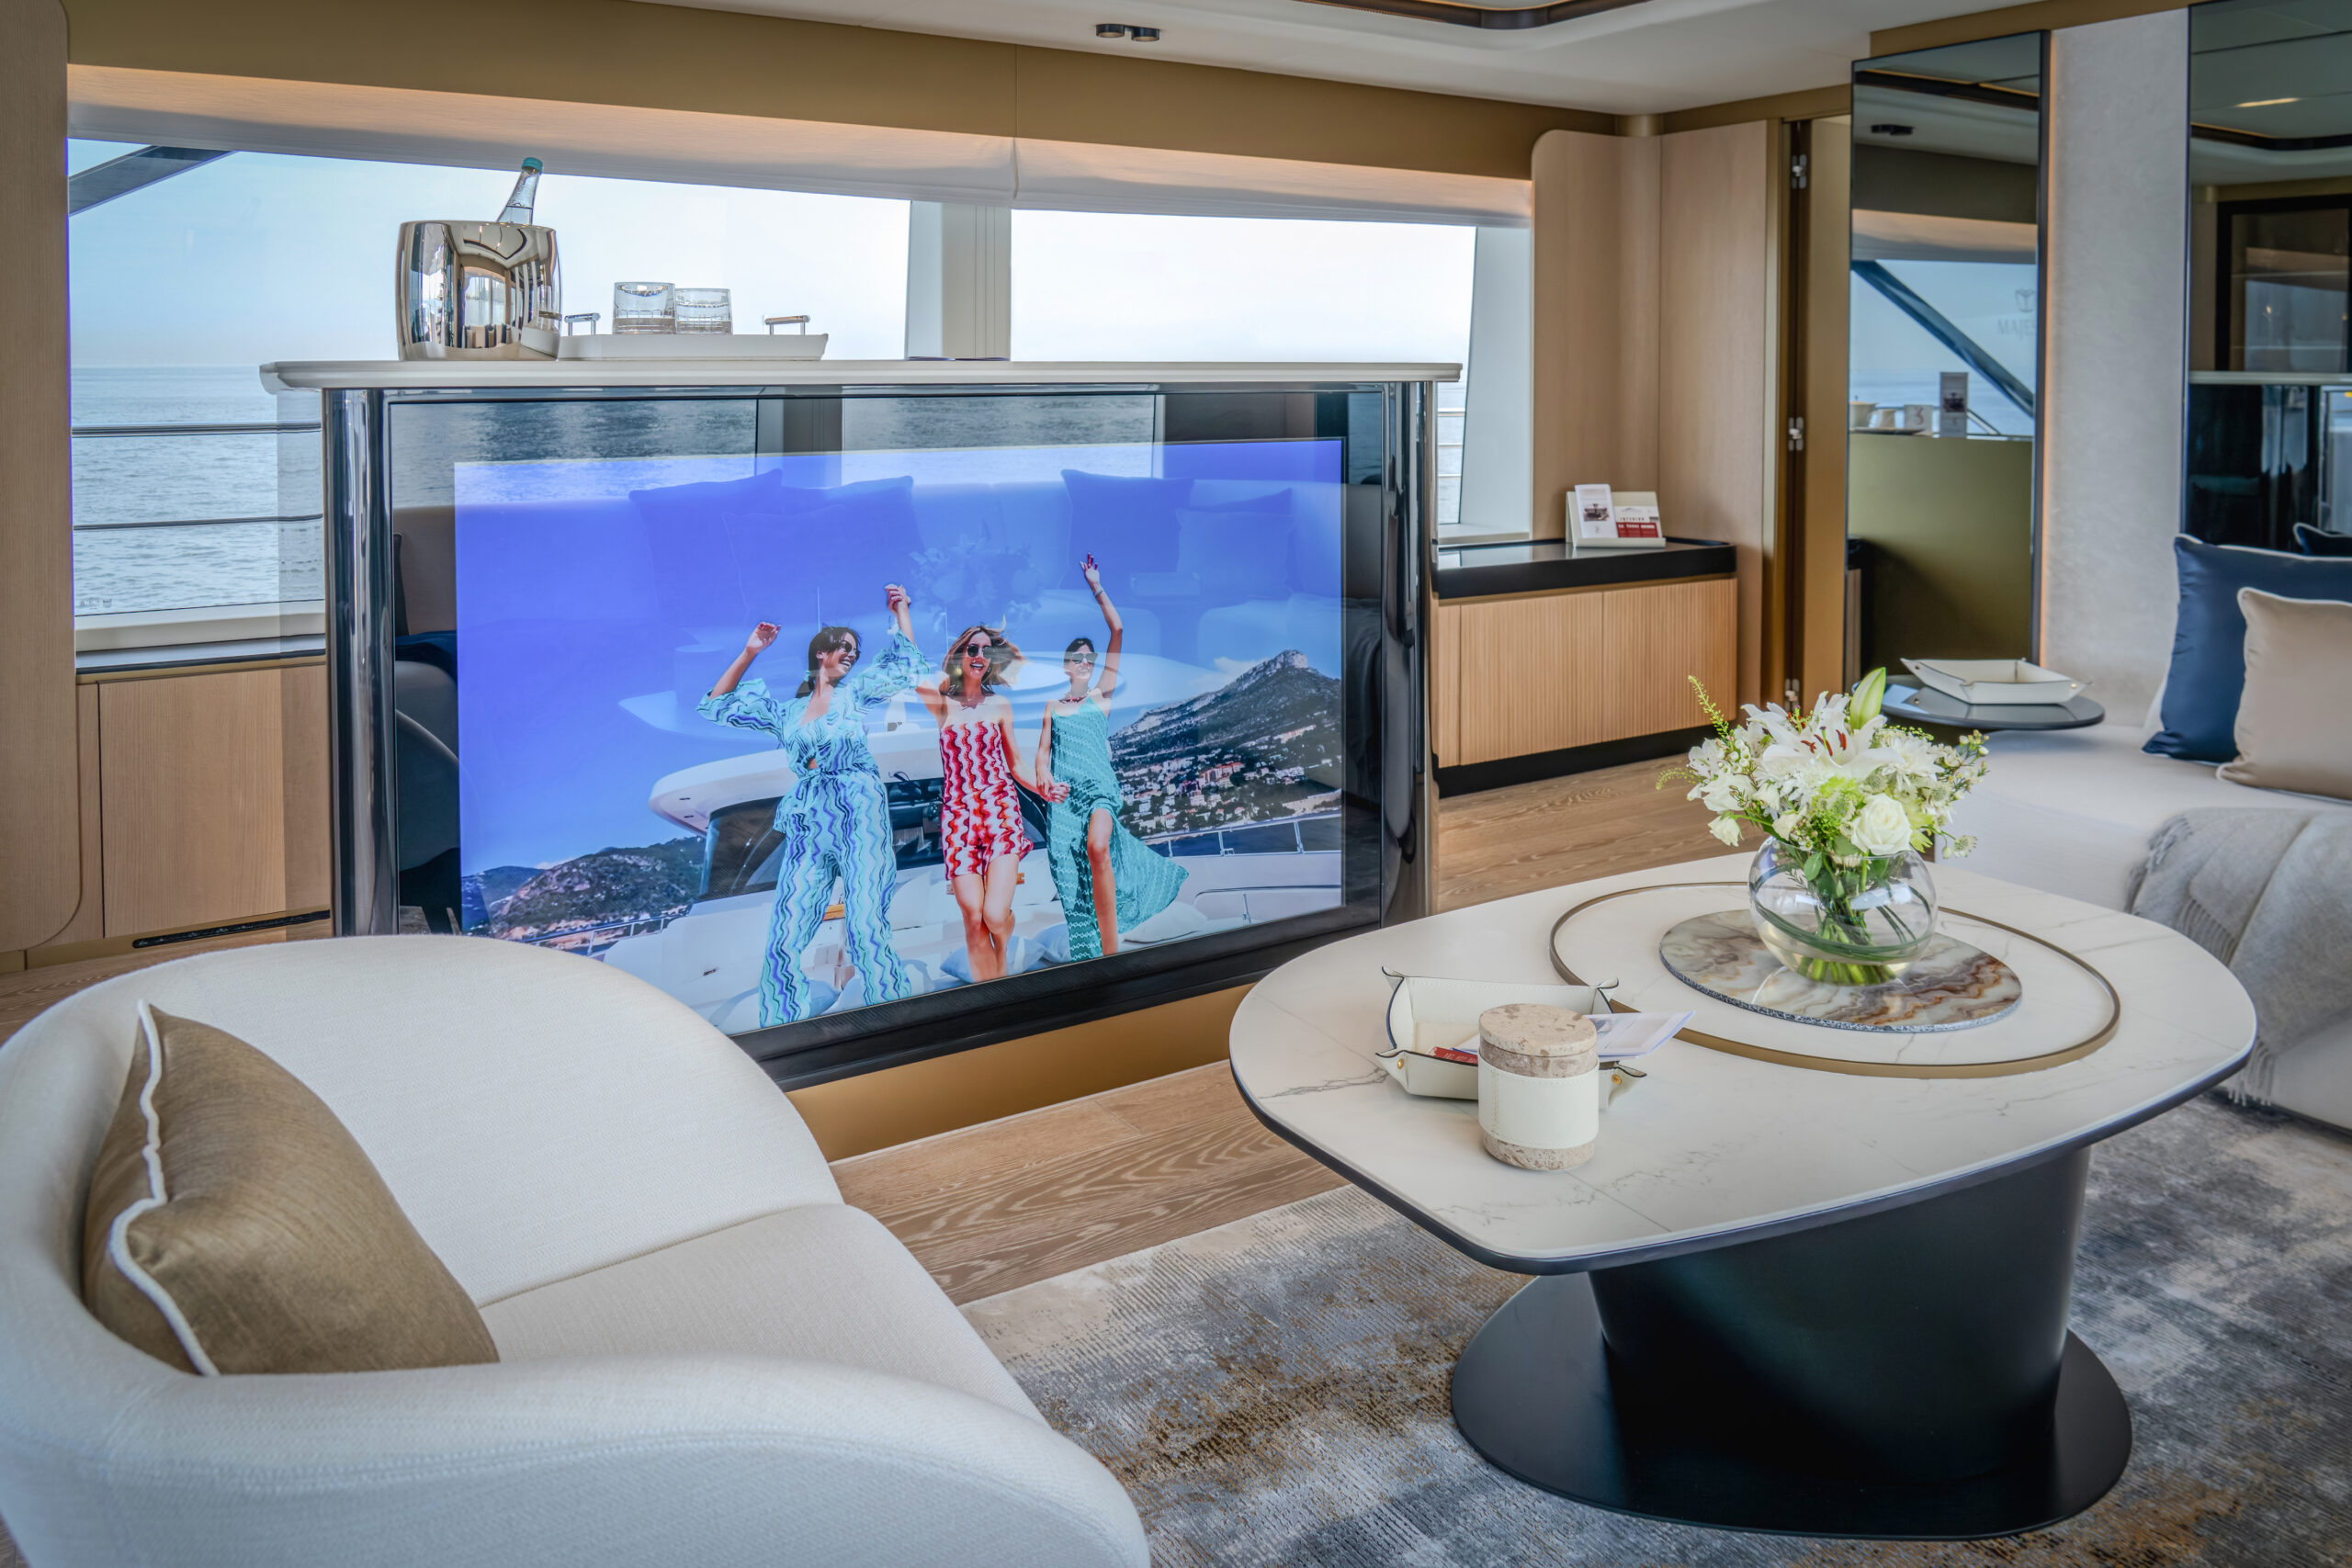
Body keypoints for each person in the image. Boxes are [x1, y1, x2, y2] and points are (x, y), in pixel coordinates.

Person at [698, 585, 922, 1026]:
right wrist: (751, 651)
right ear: (821, 652)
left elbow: (907, 666)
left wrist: (902, 613)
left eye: (855, 650)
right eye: (845, 647)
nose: (852, 654)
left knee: (866, 928)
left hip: (859, 809)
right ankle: (784, 1027)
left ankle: (897, 1018)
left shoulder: (855, 696)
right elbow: (715, 706)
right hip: (809, 818)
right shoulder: (787, 712)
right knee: (784, 936)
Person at [1036, 555, 1186, 959]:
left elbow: (1117, 629)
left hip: (1099, 790)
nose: (1085, 662)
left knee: (1098, 846)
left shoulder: (1100, 697)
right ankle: (1095, 951)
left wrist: (1096, 586)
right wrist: (1044, 778)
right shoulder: (1052, 705)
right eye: (1078, 658)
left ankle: (1111, 950)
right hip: (1065, 800)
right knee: (1071, 875)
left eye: (1090, 658)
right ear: (1067, 666)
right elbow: (1042, 754)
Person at [911, 625, 1066, 985]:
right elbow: (914, 671)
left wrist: (1044, 789)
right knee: (972, 916)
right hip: (958, 817)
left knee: (994, 915)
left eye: (986, 651)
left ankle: (1005, 939)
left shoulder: (999, 705)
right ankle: (993, 992)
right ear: (960, 656)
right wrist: (902, 612)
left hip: (1000, 811)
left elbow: (1016, 765)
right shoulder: (943, 704)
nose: (980, 656)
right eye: (972, 649)